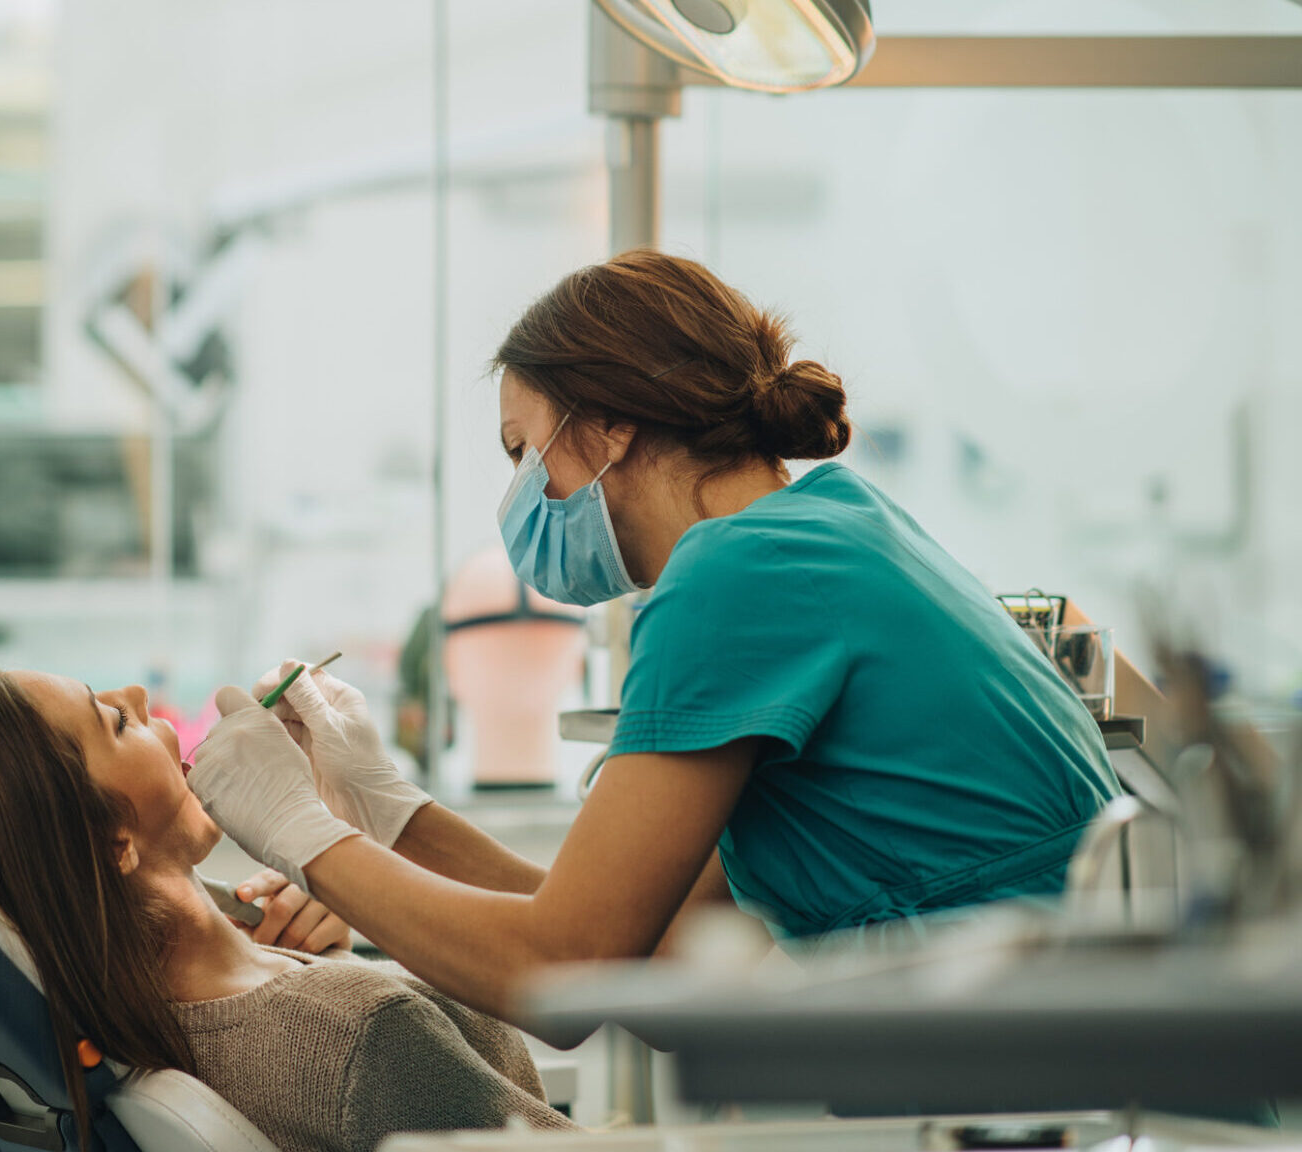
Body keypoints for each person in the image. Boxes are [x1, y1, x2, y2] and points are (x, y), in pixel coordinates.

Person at [188, 248, 1122, 1025]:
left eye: (523, 451)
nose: (519, 495)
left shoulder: (737, 575)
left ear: (608, 425)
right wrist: (388, 812)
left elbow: (566, 968)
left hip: (1043, 1079)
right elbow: (652, 945)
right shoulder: (832, 527)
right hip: (1085, 1055)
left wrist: (300, 833)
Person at [0, 665, 574, 1152]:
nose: (133, 695)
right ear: (112, 840)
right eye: (114, 723)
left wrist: (349, 910)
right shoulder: (359, 1031)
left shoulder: (134, 1018)